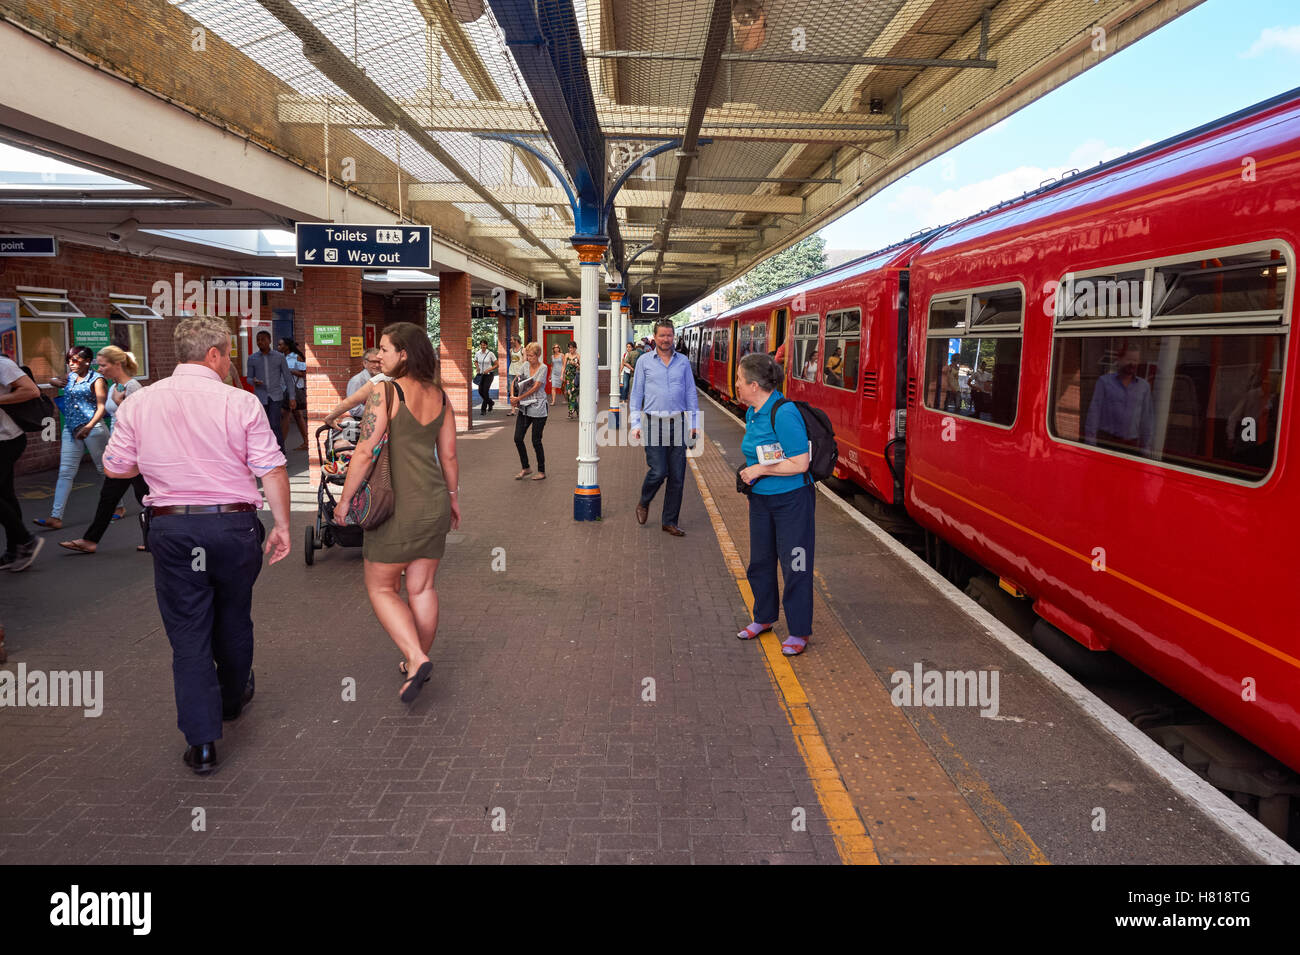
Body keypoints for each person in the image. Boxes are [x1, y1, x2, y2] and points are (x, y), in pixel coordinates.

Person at [103, 317, 290, 775]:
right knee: (233, 615)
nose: (230, 362)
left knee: (188, 633)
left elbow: (115, 468)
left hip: (172, 530)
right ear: (212, 354)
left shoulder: (139, 402)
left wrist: (160, 464)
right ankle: (231, 699)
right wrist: (283, 524)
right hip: (233, 526)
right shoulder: (241, 403)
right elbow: (271, 468)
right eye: (227, 354)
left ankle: (202, 742)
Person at [333, 322, 459, 704]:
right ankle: (414, 662)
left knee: (381, 587)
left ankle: (416, 656)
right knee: (422, 587)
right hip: (433, 502)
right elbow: (449, 455)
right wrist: (453, 498)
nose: (379, 356)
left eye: (385, 349)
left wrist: (344, 501)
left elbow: (365, 450)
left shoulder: (385, 392)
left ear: (403, 353)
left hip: (394, 506)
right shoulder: (440, 395)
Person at [734, 352, 814, 657]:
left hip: (792, 501)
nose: (737, 384)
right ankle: (764, 618)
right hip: (761, 500)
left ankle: (799, 631)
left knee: (796, 564)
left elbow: (801, 463)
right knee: (761, 562)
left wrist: (760, 470)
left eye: (740, 380)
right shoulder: (753, 412)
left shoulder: (784, 412)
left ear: (754, 385)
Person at [59, 346, 150, 555]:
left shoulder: (133, 387)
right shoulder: (114, 386)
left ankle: (156, 539)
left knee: (145, 497)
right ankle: (90, 541)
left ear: (117, 364)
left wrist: (122, 404)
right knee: (111, 497)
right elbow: (114, 418)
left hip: (134, 453)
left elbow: (142, 421)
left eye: (103, 365)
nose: (99, 369)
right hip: (121, 451)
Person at [629, 319, 699, 537]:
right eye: (662, 335)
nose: (666, 339)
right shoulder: (644, 362)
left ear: (673, 336)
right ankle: (644, 501)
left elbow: (690, 393)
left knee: (677, 476)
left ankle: (669, 521)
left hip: (678, 423)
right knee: (659, 470)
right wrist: (635, 423)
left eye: (669, 335)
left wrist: (695, 424)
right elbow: (636, 394)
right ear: (654, 337)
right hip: (652, 423)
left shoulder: (683, 362)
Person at [32, 346, 109, 531]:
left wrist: (89, 427)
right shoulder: (71, 377)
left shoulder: (97, 380)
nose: (71, 363)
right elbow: (53, 381)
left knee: (102, 470)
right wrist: (55, 381)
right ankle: (55, 517)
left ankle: (118, 506)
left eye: (75, 360)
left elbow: (101, 407)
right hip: (71, 429)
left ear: (88, 361)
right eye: (69, 360)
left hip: (94, 429)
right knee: (65, 472)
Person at [0, 355, 43, 571]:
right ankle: (13, 550)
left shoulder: (2, 364)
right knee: (6, 495)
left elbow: (31, 390)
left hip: (6, 440)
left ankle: (26, 540)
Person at [1083, 346, 1154, 453]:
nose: (1132, 363)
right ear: (1119, 360)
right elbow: (1094, 412)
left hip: (1132, 446)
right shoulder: (1104, 382)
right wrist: (1090, 444)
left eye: (1135, 360)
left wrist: (1146, 447)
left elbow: (1147, 418)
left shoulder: (1144, 386)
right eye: (1129, 359)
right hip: (1107, 442)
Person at [246, 330, 294, 453]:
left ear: (269, 341)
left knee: (275, 424)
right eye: (258, 339)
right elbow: (249, 378)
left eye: (263, 339)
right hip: (261, 397)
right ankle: (266, 454)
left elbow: (288, 377)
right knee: (262, 427)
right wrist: (253, 381)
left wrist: (292, 397)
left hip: (275, 396)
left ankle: (281, 454)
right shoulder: (252, 358)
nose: (260, 342)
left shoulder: (279, 357)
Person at [509, 342, 549, 481]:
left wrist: (519, 397)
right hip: (525, 407)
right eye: (527, 356)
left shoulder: (543, 368)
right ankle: (526, 468)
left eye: (531, 356)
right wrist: (512, 396)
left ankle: (541, 471)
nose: (528, 358)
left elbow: (536, 387)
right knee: (517, 438)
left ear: (538, 355)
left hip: (538, 408)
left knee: (536, 440)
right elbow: (515, 380)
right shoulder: (525, 365)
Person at [277, 338, 309, 451]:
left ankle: (280, 446)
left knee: (285, 415)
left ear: (287, 346)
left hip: (294, 390)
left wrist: (290, 371)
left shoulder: (296, 357)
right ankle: (306, 441)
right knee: (298, 416)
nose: (278, 347)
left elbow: (304, 373)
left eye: (280, 345)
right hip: (284, 389)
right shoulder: (280, 357)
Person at [474, 338, 497, 416]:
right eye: (481, 344)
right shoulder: (477, 353)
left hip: (489, 375)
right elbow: (475, 361)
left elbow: (497, 364)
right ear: (480, 345)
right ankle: (490, 402)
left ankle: (483, 409)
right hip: (481, 375)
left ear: (486, 345)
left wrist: (489, 369)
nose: (483, 346)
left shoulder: (490, 353)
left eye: (484, 345)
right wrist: (477, 367)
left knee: (485, 391)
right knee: (480, 391)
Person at [562, 340, 580, 419]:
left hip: (574, 377)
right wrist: (561, 375)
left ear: (575, 348)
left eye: (572, 348)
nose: (570, 349)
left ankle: (570, 411)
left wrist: (576, 364)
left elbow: (581, 368)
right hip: (568, 377)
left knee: (573, 394)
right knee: (569, 394)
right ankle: (577, 409)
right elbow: (564, 366)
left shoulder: (578, 356)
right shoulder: (566, 355)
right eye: (569, 348)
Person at [506, 337, 523, 416]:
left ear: (516, 340)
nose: (511, 341)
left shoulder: (523, 350)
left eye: (512, 339)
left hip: (520, 373)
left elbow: (524, 362)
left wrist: (520, 372)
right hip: (511, 372)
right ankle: (513, 410)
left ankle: (522, 408)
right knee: (511, 390)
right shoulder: (511, 350)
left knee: (520, 390)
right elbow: (513, 361)